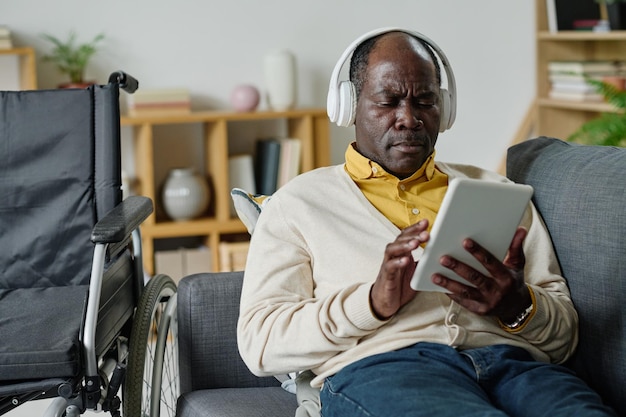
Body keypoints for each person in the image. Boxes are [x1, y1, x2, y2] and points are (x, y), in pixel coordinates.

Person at [236, 28, 617, 417]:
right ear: (349, 106)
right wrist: (371, 303)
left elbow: (566, 338)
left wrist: (518, 306)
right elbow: (260, 344)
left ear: (445, 108)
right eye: (388, 101)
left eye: (425, 101)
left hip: (518, 368)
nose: (409, 118)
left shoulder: (497, 192)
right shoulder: (299, 204)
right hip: (386, 369)